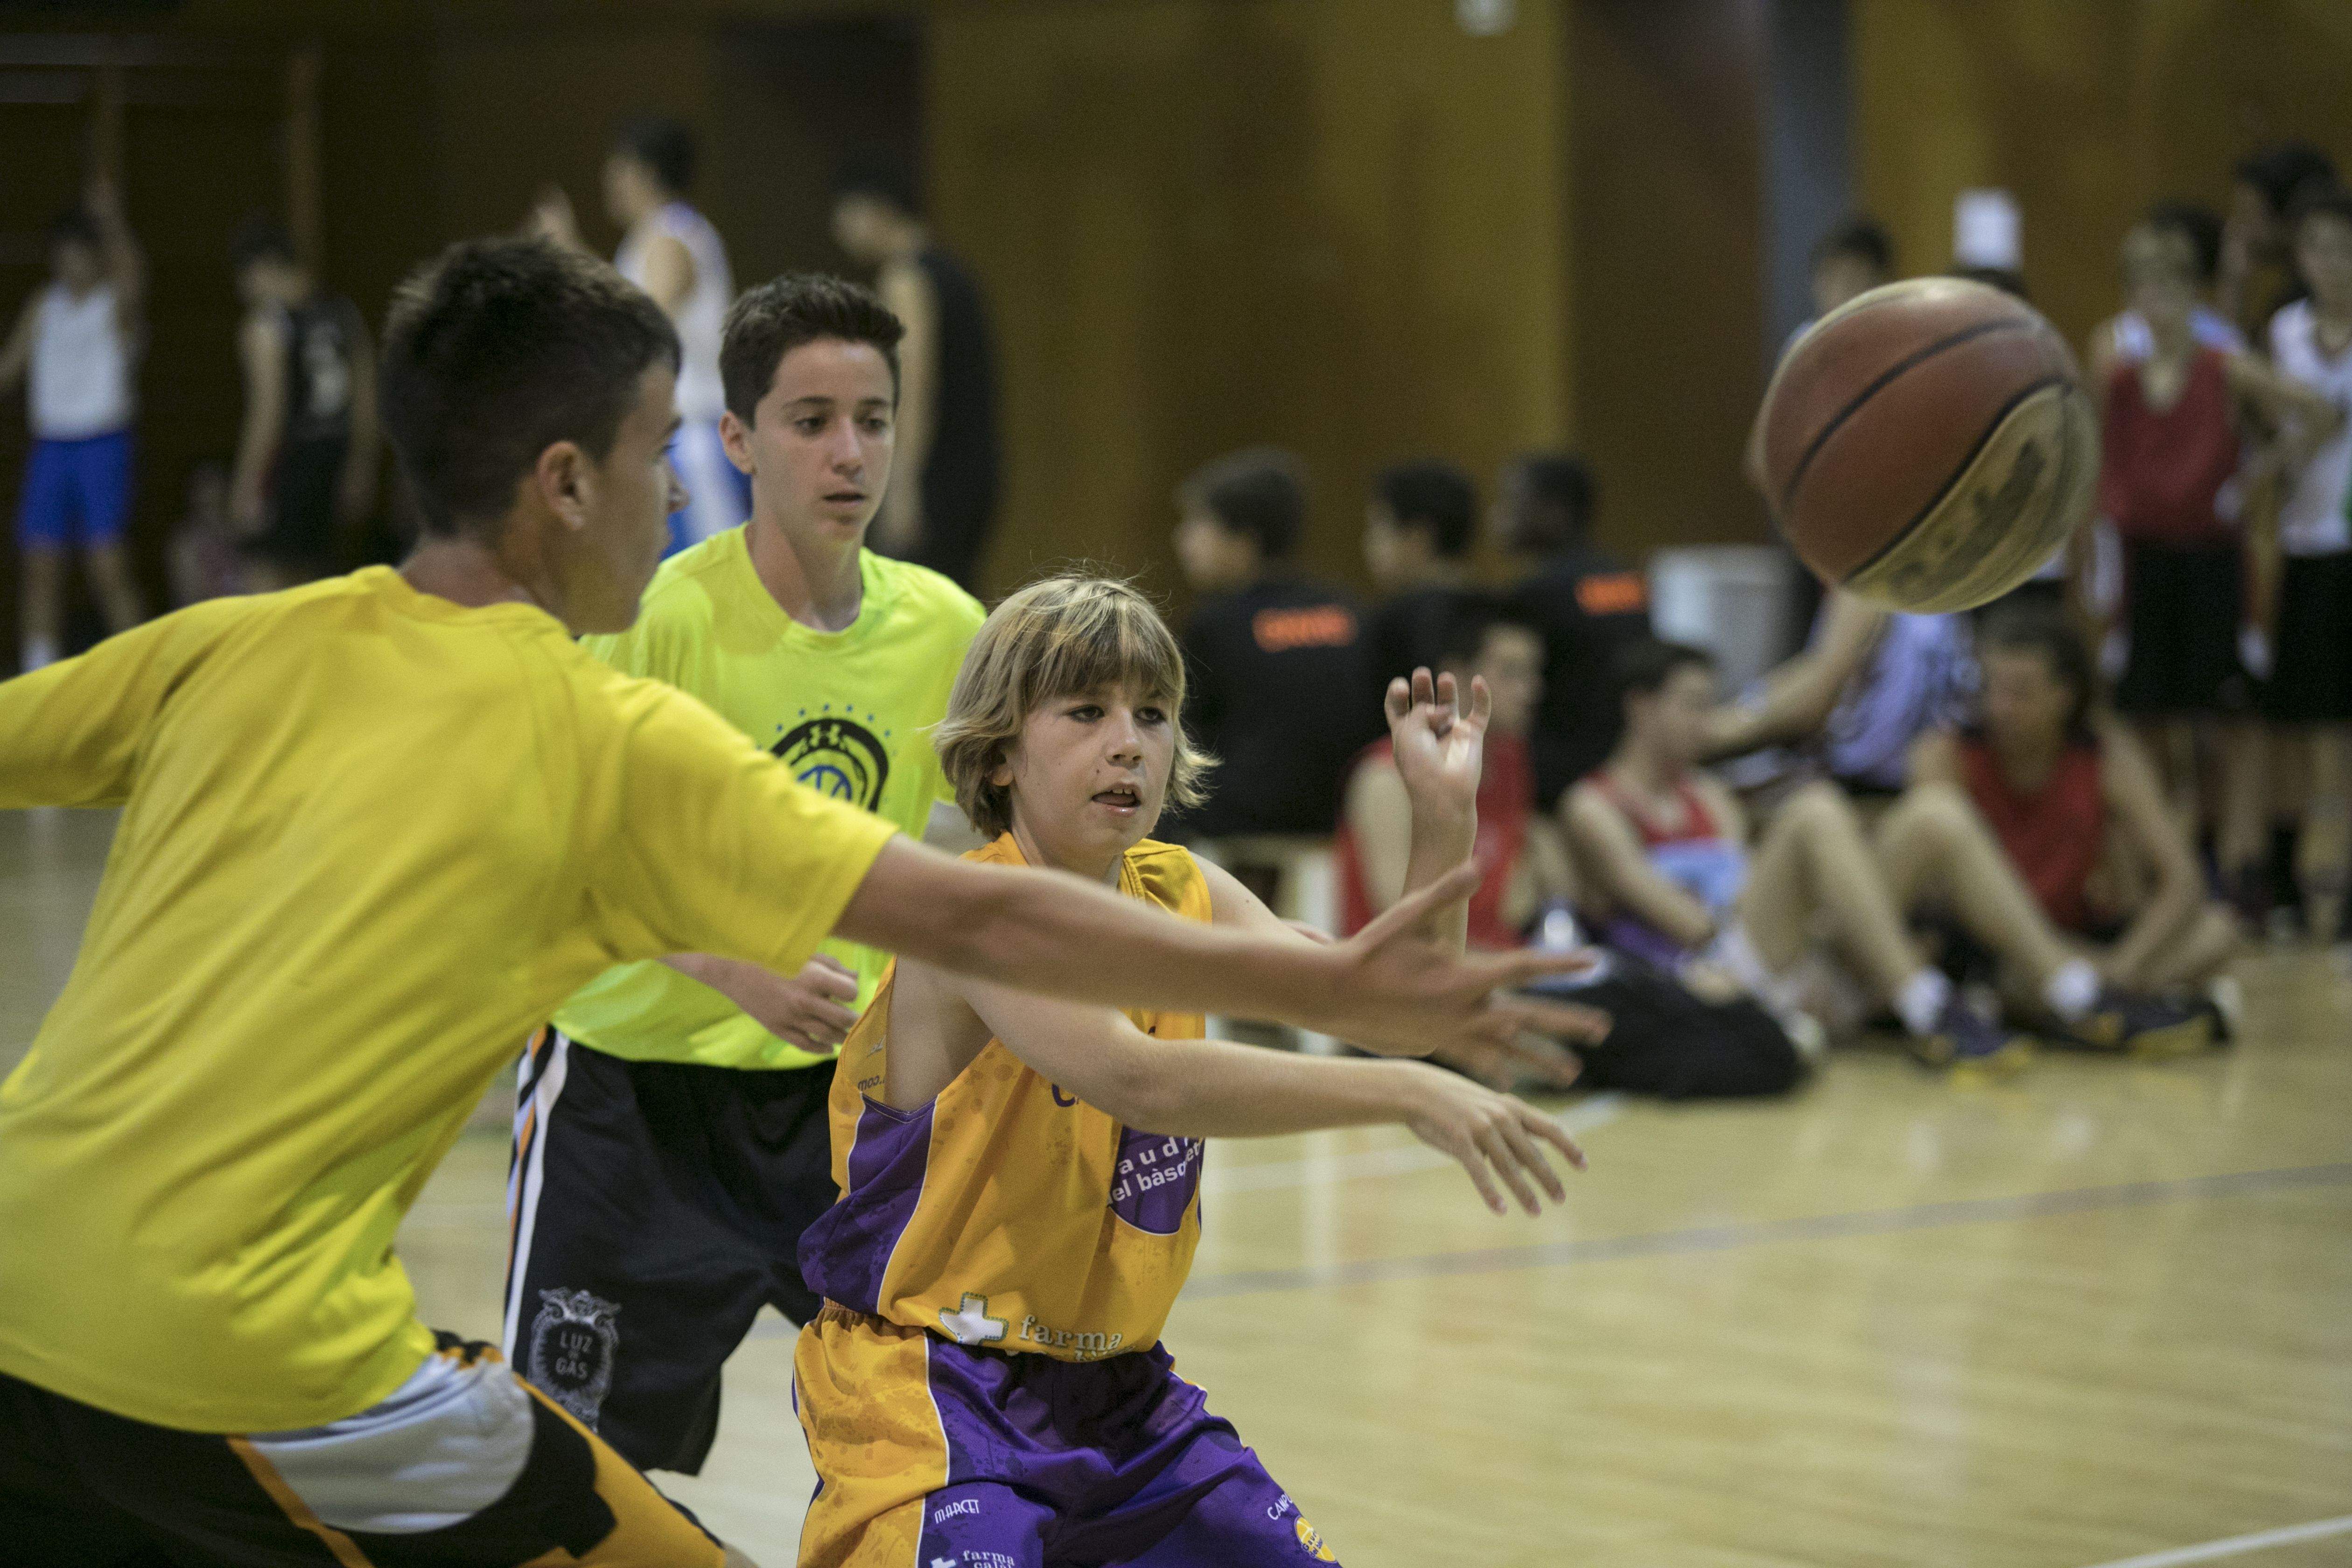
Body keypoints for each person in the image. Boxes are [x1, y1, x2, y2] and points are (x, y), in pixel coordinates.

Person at [0, 237, 1594, 1566]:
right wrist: (1363, 1014)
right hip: (258, 1346)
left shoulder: (226, 641)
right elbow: (982, 925)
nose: (672, 491)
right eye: (655, 456)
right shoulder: (606, 731)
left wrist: (1374, 966)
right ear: (565, 483)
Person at [792, 572, 1600, 1566]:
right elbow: (1144, 1080)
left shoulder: (1181, 888)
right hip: (932, 1390)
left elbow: (1385, 1010)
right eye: (1086, 712)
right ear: (1000, 752)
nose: (1128, 740)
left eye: (1154, 714)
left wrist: (1441, 821)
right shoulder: (977, 918)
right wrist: (1408, 1093)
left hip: (1122, 1397)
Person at [503, 273, 986, 1475]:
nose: (849, 453)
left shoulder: (947, 629)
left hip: (836, 1113)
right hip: (630, 1102)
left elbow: (984, 874)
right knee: (574, 1474)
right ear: (738, 441)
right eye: (811, 421)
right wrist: (736, 967)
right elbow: (560, 863)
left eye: (873, 420)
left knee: (931, 1444)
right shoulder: (656, 617)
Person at [1570, 640, 2212, 1069]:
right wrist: (1829, 894)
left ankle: (2073, 993)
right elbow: (1694, 924)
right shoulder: (1594, 806)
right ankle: (1926, 1003)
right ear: (1639, 707)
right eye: (1692, 706)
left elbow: (1753, 888)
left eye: (1711, 707)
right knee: (1816, 810)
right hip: (1709, 979)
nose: (1707, 724)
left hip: (1791, 958)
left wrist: (1841, 906)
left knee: (1935, 816)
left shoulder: (1711, 794)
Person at [1339, 599, 1802, 1099]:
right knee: (1725, 1044)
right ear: (1457, 676)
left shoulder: (1509, 764)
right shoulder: (1386, 778)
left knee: (1709, 1020)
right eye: (1512, 673)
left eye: (1534, 673)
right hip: (1430, 995)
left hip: (1510, 975)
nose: (1531, 690)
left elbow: (1525, 900)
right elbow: (1400, 933)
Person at [2087, 212, 2339, 906]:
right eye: (2145, 286)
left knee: (2220, 721)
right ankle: (2168, 858)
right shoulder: (2116, 369)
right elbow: (2097, 456)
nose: (2158, 300)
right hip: (2144, 559)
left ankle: (2229, 856)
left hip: (2210, 561)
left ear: (2192, 292)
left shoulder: (2223, 367)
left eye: (2171, 286)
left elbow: (2318, 411)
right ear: (2132, 294)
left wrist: (2262, 475)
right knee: (2148, 718)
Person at [1914, 608, 2240, 1014]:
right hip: (1985, 942)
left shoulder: (2105, 757)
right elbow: (1936, 890)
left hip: (2071, 937)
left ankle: (2090, 994)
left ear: (2063, 697)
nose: (2000, 707)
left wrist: (2123, 966)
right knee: (1925, 950)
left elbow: (2183, 880)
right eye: (1992, 689)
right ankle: (2109, 999)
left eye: (2020, 693)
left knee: (2218, 932)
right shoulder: (1948, 754)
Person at [533, 115, 745, 553]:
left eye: (617, 167)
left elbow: (642, 322)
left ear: (644, 171)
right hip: (668, 439)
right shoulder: (651, 235)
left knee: (712, 589)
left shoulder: (672, 235)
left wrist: (571, 253)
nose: (608, 180)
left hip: (694, 443)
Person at [1171, 446, 1379, 837]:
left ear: (1244, 541)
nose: (1183, 541)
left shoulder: (1216, 624)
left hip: (1241, 829)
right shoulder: (1347, 610)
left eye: (1197, 525)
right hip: (1346, 818)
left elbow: (1185, 736)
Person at [831, 149, 1001, 593]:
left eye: (845, 213)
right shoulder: (955, 272)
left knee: (916, 605)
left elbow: (912, 386)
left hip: (937, 473)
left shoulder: (906, 278)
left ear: (875, 209)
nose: (840, 229)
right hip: (975, 470)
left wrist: (902, 485)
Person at [0, 179, 145, 670]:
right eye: (60, 255)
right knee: (40, 565)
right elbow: (9, 369)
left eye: (79, 254)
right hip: (51, 447)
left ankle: (140, 671)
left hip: (101, 444)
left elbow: (132, 275)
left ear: (96, 255)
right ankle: (36, 673)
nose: (68, 265)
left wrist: (110, 219)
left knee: (108, 567)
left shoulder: (114, 305)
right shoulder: (45, 305)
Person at [2262, 188, 2352, 945]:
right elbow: (2267, 444)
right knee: (2293, 725)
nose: (2332, 266)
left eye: (2344, 249)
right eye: (2318, 250)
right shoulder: (2285, 334)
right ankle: (2287, 882)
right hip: (2305, 544)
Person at [227, 215, 376, 589]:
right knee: (319, 588)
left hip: (288, 465)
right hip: (332, 460)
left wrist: (247, 483)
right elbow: (366, 401)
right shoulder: (345, 315)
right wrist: (361, 465)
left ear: (264, 266)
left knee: (263, 590)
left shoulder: (268, 325)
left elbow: (268, 414)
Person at [1497, 451, 1650, 811]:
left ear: (1554, 512)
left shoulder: (1537, 594)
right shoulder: (1628, 580)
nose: (1500, 516)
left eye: (1514, 502)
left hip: (1556, 778)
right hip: (1626, 770)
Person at [1361, 457, 1481, 699]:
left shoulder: (1391, 625)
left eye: (1378, 526)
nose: (1367, 541)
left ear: (1419, 538)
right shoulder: (1499, 607)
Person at [2220, 142, 2338, 339]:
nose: (2235, 227)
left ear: (2290, 221)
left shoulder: (2308, 306)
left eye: (2248, 214)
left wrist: (2233, 284)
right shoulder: (2291, 295)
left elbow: (2230, 362)